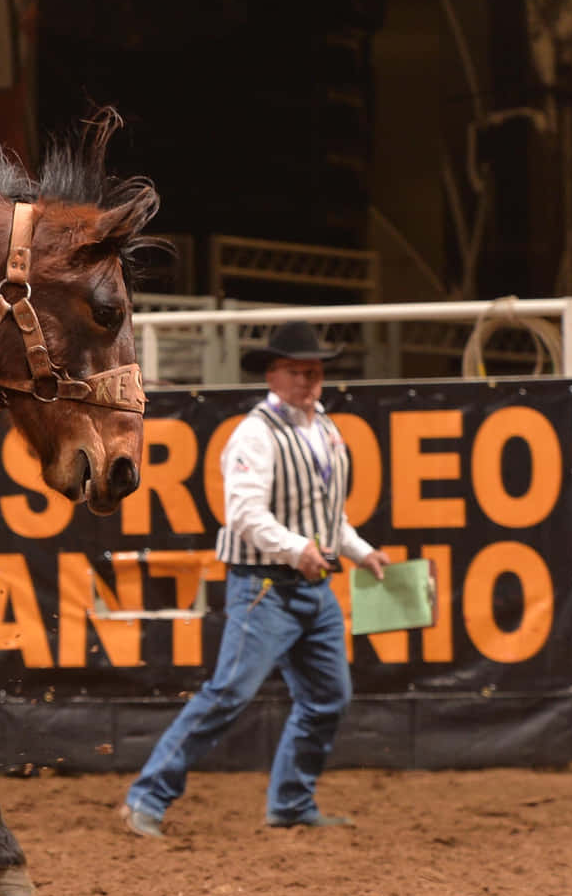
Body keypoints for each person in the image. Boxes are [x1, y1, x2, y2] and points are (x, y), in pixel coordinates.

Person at [121, 321, 387, 836]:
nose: (308, 380)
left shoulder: (325, 429)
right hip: (263, 586)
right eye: (296, 371)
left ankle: (290, 804)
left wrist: (361, 551)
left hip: (311, 586)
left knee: (329, 697)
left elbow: (327, 515)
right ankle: (145, 798)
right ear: (273, 374)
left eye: (314, 371)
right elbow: (242, 514)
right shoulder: (255, 433)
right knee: (228, 695)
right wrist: (297, 548)